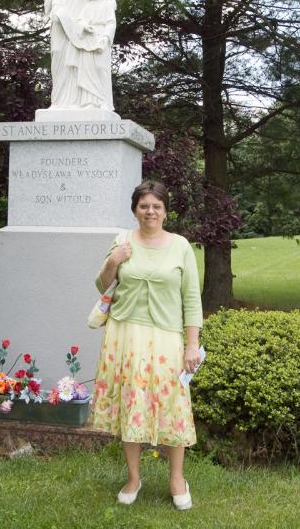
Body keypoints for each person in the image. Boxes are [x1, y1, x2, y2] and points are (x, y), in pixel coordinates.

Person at [92, 180, 203, 510]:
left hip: (167, 337)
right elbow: (101, 283)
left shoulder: (181, 245)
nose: (150, 211)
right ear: (135, 210)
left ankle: (176, 480)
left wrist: (192, 345)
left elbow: (192, 299)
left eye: (156, 206)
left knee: (173, 405)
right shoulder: (123, 241)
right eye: (144, 206)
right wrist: (114, 259)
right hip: (124, 334)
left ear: (166, 211)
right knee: (131, 402)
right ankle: (133, 478)